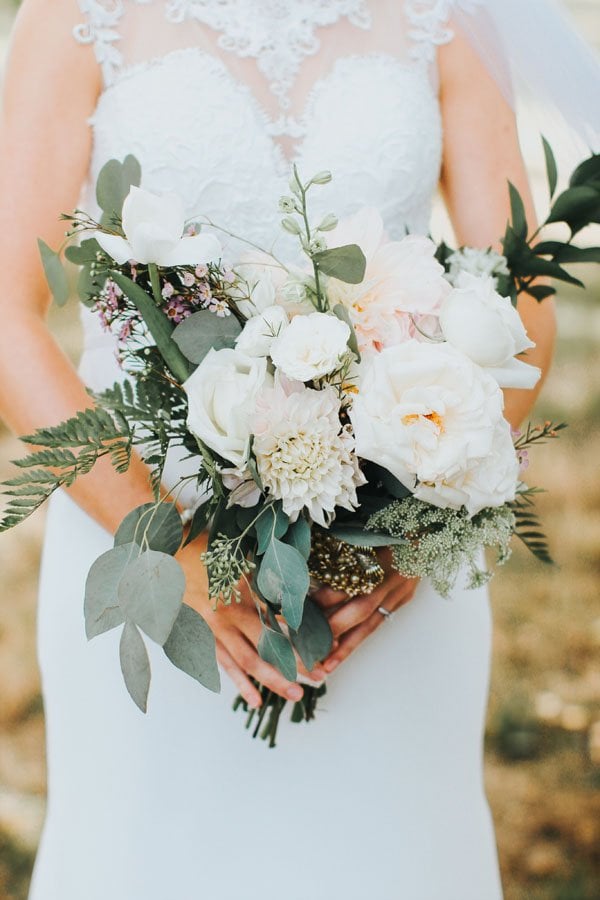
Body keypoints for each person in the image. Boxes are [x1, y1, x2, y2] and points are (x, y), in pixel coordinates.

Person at [0, 1, 581, 898]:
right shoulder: (76, 13)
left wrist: (414, 525)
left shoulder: (449, 11)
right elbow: (5, 315)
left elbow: (521, 289)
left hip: (386, 576)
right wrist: (179, 555)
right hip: (150, 547)